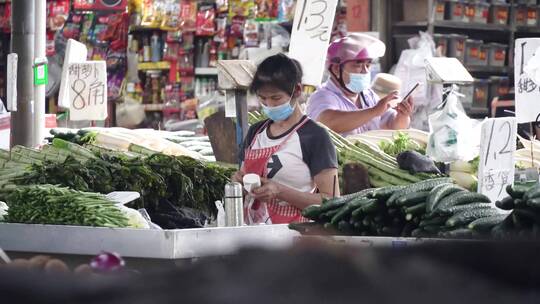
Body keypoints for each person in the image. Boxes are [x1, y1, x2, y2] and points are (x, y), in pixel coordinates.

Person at [232, 53, 339, 224]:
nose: (269, 105)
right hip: (252, 234)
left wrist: (280, 191)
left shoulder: (314, 137)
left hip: (295, 238)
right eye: (263, 99)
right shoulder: (255, 132)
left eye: (276, 98)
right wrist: (237, 181)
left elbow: (332, 201)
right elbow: (243, 175)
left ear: (297, 90)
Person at [306, 33, 414, 136]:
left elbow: (393, 125)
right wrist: (374, 111)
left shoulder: (368, 95)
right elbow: (327, 122)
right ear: (336, 69)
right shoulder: (322, 96)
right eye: (358, 66)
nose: (365, 71)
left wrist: (403, 115)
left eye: (368, 65)